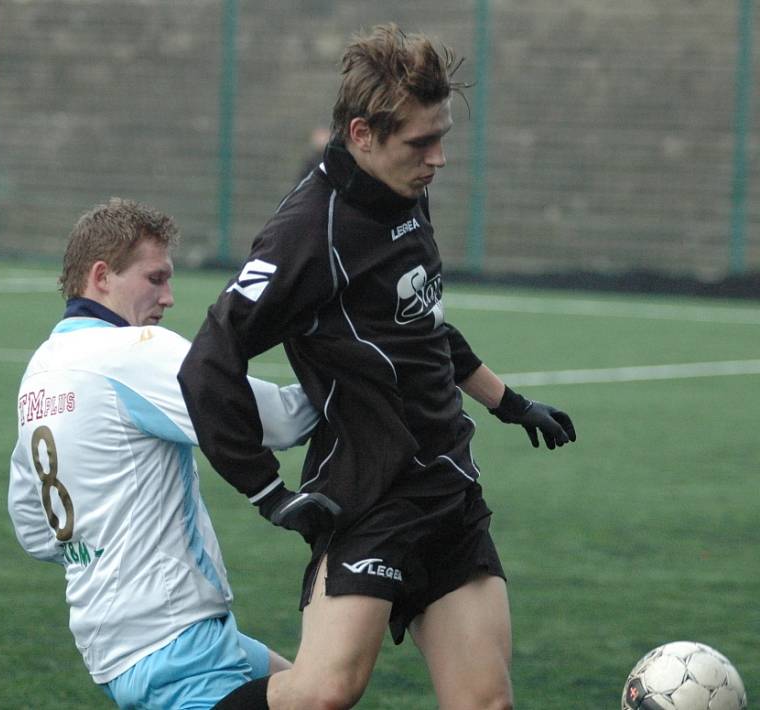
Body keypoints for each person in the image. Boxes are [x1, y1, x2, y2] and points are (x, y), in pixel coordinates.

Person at [179, 24, 576, 710]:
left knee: (487, 704)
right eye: (421, 143)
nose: (439, 159)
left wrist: (509, 403)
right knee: (323, 693)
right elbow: (206, 365)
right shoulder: (306, 233)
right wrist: (269, 493)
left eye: (442, 137)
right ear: (362, 135)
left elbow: (420, 326)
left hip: (448, 487)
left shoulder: (404, 190)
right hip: (373, 495)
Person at [7, 197, 321, 709]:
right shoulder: (136, 350)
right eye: (156, 279)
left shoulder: (39, 373)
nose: (169, 297)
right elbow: (279, 421)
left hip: (111, 644)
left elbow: (35, 532)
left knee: (319, 693)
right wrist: (358, 368)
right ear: (102, 276)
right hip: (175, 640)